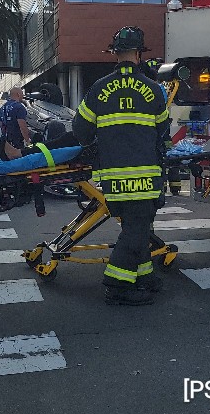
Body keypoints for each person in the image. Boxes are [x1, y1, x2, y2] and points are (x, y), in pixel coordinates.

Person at [72, 26, 169, 306]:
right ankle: (117, 286)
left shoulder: (99, 88)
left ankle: (144, 276)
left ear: (115, 54)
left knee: (135, 228)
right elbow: (163, 130)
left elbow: (81, 131)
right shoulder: (153, 90)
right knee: (136, 230)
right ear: (139, 54)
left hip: (114, 178)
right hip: (145, 177)